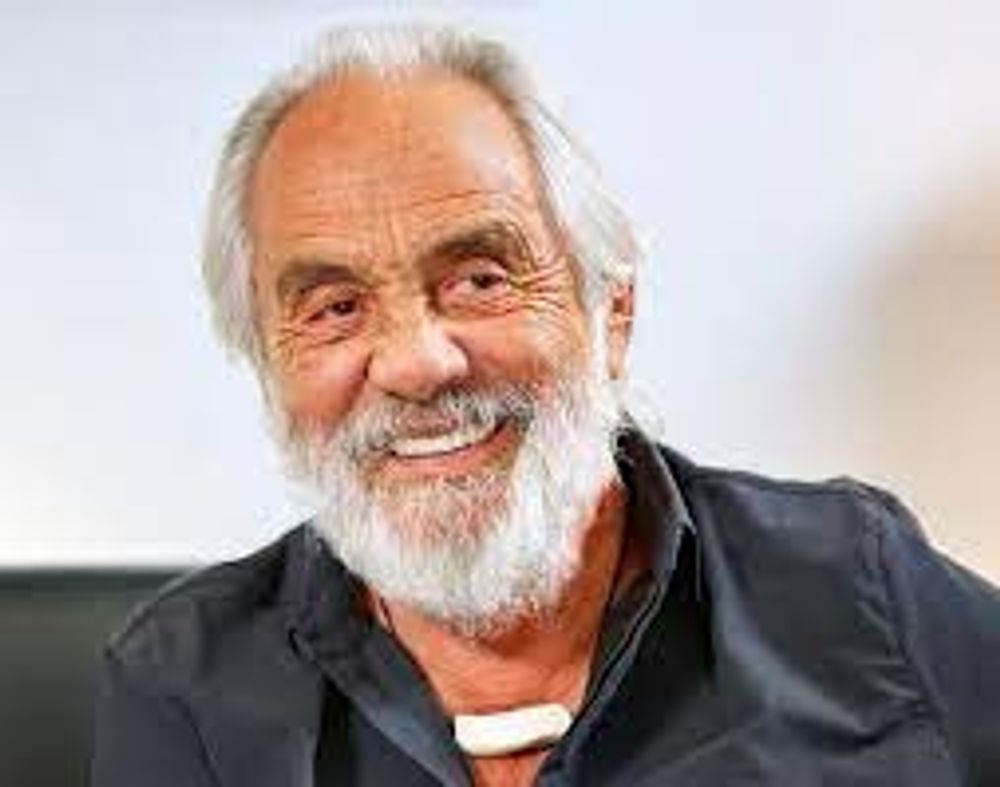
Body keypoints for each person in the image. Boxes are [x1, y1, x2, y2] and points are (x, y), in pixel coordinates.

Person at [92, 23, 1000, 787]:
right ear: (267, 362)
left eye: (480, 278)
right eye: (335, 307)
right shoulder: (184, 687)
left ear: (612, 311)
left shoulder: (858, 587)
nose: (418, 363)